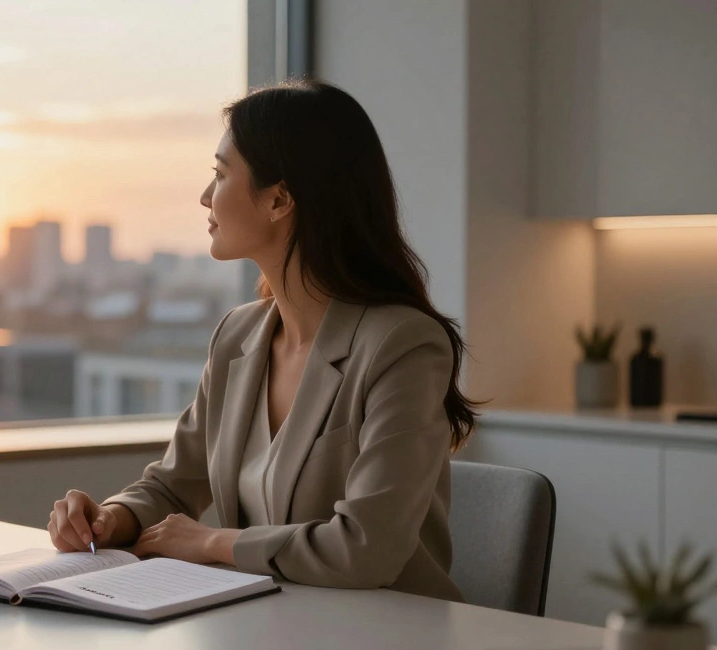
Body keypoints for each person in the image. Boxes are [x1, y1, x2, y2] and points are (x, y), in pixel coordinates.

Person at [48, 78, 476, 602]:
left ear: (278, 200)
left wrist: (211, 543)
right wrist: (111, 518)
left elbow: (368, 547)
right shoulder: (238, 335)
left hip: (387, 641)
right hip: (265, 630)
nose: (206, 196)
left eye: (221, 174)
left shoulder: (401, 345)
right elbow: (173, 483)